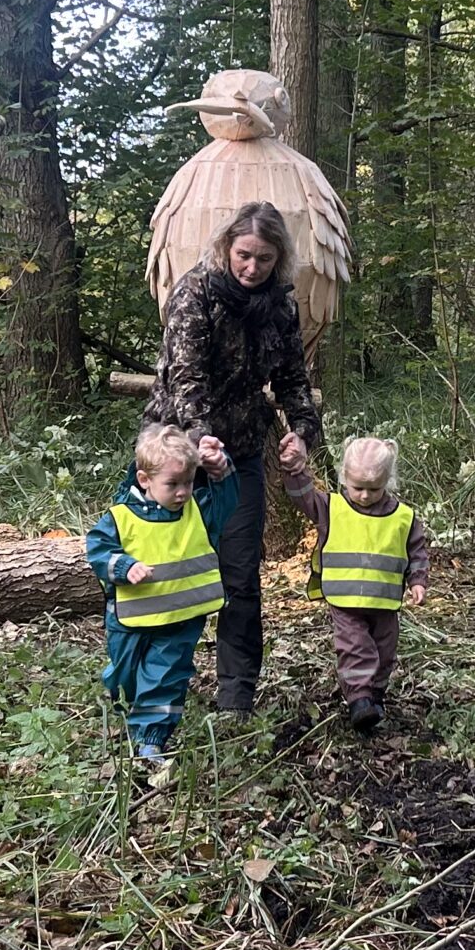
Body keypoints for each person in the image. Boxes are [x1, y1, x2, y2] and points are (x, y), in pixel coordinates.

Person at [140, 201, 328, 715]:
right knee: (162, 569)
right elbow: (186, 380)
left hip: (242, 452)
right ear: (227, 247)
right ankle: (148, 688)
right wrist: (201, 440)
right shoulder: (196, 293)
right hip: (175, 451)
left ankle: (236, 697)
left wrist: (303, 434)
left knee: (240, 576)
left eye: (264, 259)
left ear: (278, 259)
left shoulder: (281, 306)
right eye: (244, 255)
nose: (252, 268)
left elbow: (292, 380)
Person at [85, 423, 240, 769]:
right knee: (124, 677)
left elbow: (228, 497)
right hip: (130, 619)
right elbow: (97, 551)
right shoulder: (120, 517)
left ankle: (150, 740)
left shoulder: (198, 510)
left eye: (188, 482)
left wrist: (221, 465)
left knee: (165, 676)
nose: (183, 492)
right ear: (144, 480)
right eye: (173, 484)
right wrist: (124, 566)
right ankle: (125, 709)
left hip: (180, 620)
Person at [281, 432, 429, 735]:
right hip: (345, 600)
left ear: (388, 480)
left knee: (384, 650)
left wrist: (418, 581)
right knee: (355, 647)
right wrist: (295, 470)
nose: (363, 495)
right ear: (344, 477)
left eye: (373, 489)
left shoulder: (403, 516)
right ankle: (359, 699)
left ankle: (376, 695)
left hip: (385, 603)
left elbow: (417, 551)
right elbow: (303, 497)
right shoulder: (332, 507)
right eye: (357, 487)